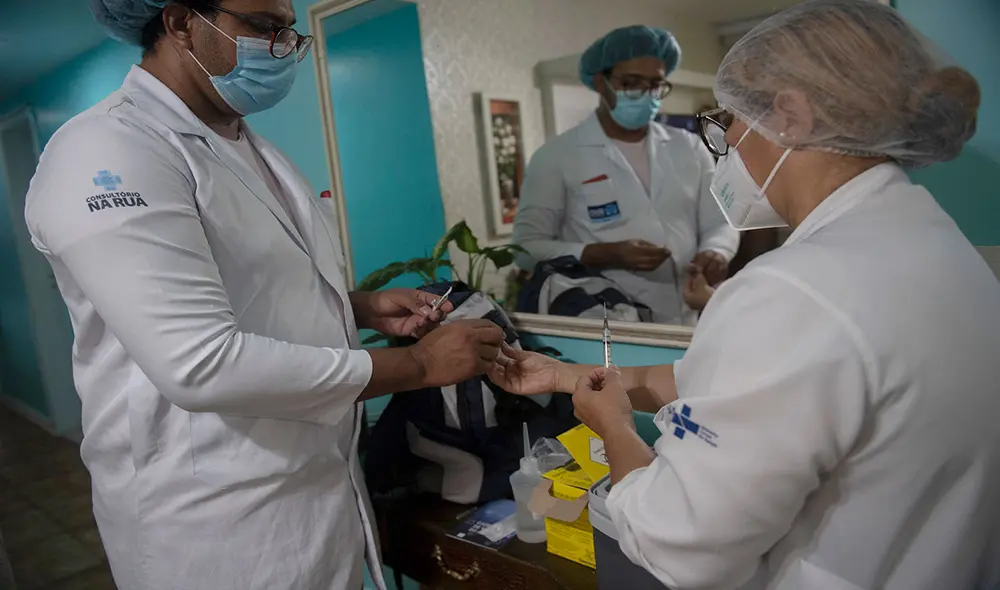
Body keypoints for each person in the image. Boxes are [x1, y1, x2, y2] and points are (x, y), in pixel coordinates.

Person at [491, 1, 1000, 588]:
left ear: (790, 115)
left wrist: (614, 429)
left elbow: (676, 545)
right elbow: (759, 384)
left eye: (730, 119)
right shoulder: (937, 245)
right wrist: (563, 375)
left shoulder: (793, 289)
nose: (725, 140)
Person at [25, 1, 505, 589]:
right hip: (212, 520)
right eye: (264, 27)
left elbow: (235, 282)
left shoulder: (243, 145)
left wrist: (352, 305)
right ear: (180, 23)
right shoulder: (108, 151)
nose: (283, 48)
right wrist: (418, 365)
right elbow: (198, 364)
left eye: (288, 31)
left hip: (309, 489)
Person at [513, 25, 739, 326]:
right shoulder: (557, 156)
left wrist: (717, 251)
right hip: (608, 322)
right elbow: (526, 249)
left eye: (655, 84)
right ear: (600, 82)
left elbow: (721, 217)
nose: (645, 94)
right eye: (631, 83)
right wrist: (603, 253)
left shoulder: (688, 146)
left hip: (688, 319)